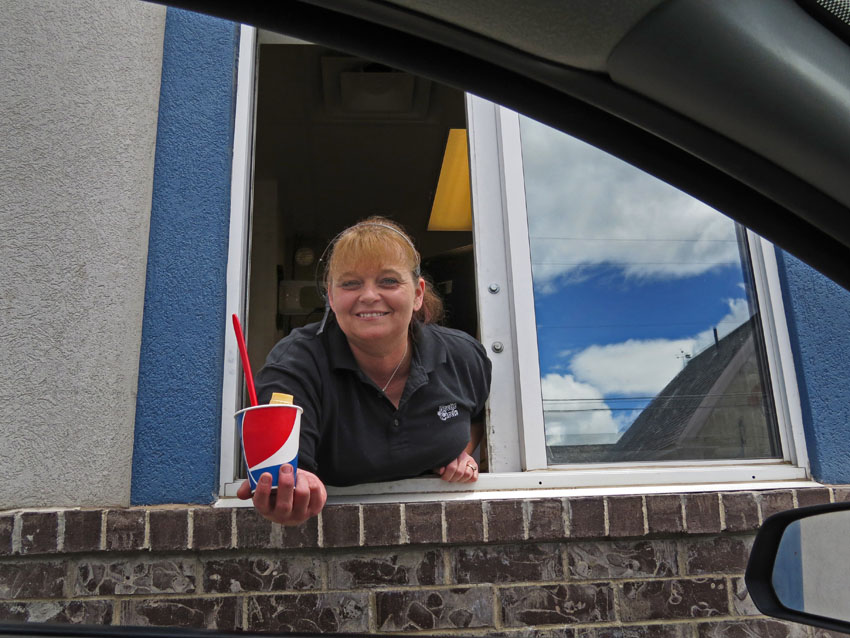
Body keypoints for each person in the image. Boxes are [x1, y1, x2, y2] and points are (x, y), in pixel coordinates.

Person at [237, 216, 492, 525]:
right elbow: (288, 473)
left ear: (418, 294)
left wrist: (460, 450)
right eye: (350, 283)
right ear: (331, 296)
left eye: (388, 281)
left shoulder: (463, 355)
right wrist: (289, 493)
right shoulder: (295, 365)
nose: (369, 295)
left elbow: (479, 417)